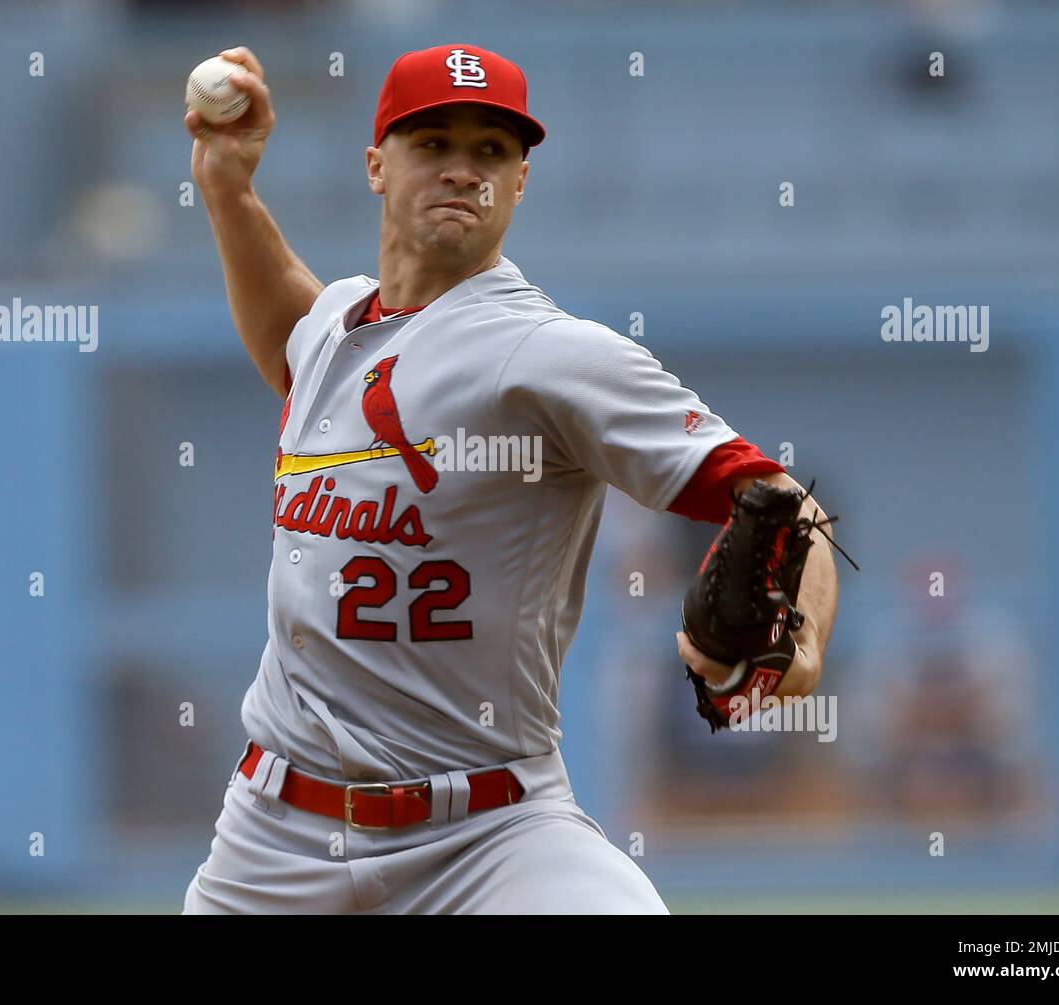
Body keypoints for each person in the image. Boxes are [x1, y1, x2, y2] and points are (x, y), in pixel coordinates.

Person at [181, 42, 840, 914]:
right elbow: (290, 338)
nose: (462, 170)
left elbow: (783, 504)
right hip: (276, 835)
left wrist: (808, 636)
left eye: (490, 151)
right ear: (378, 165)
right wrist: (227, 186)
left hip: (488, 835)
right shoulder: (337, 323)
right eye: (433, 144)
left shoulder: (549, 353)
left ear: (520, 181)